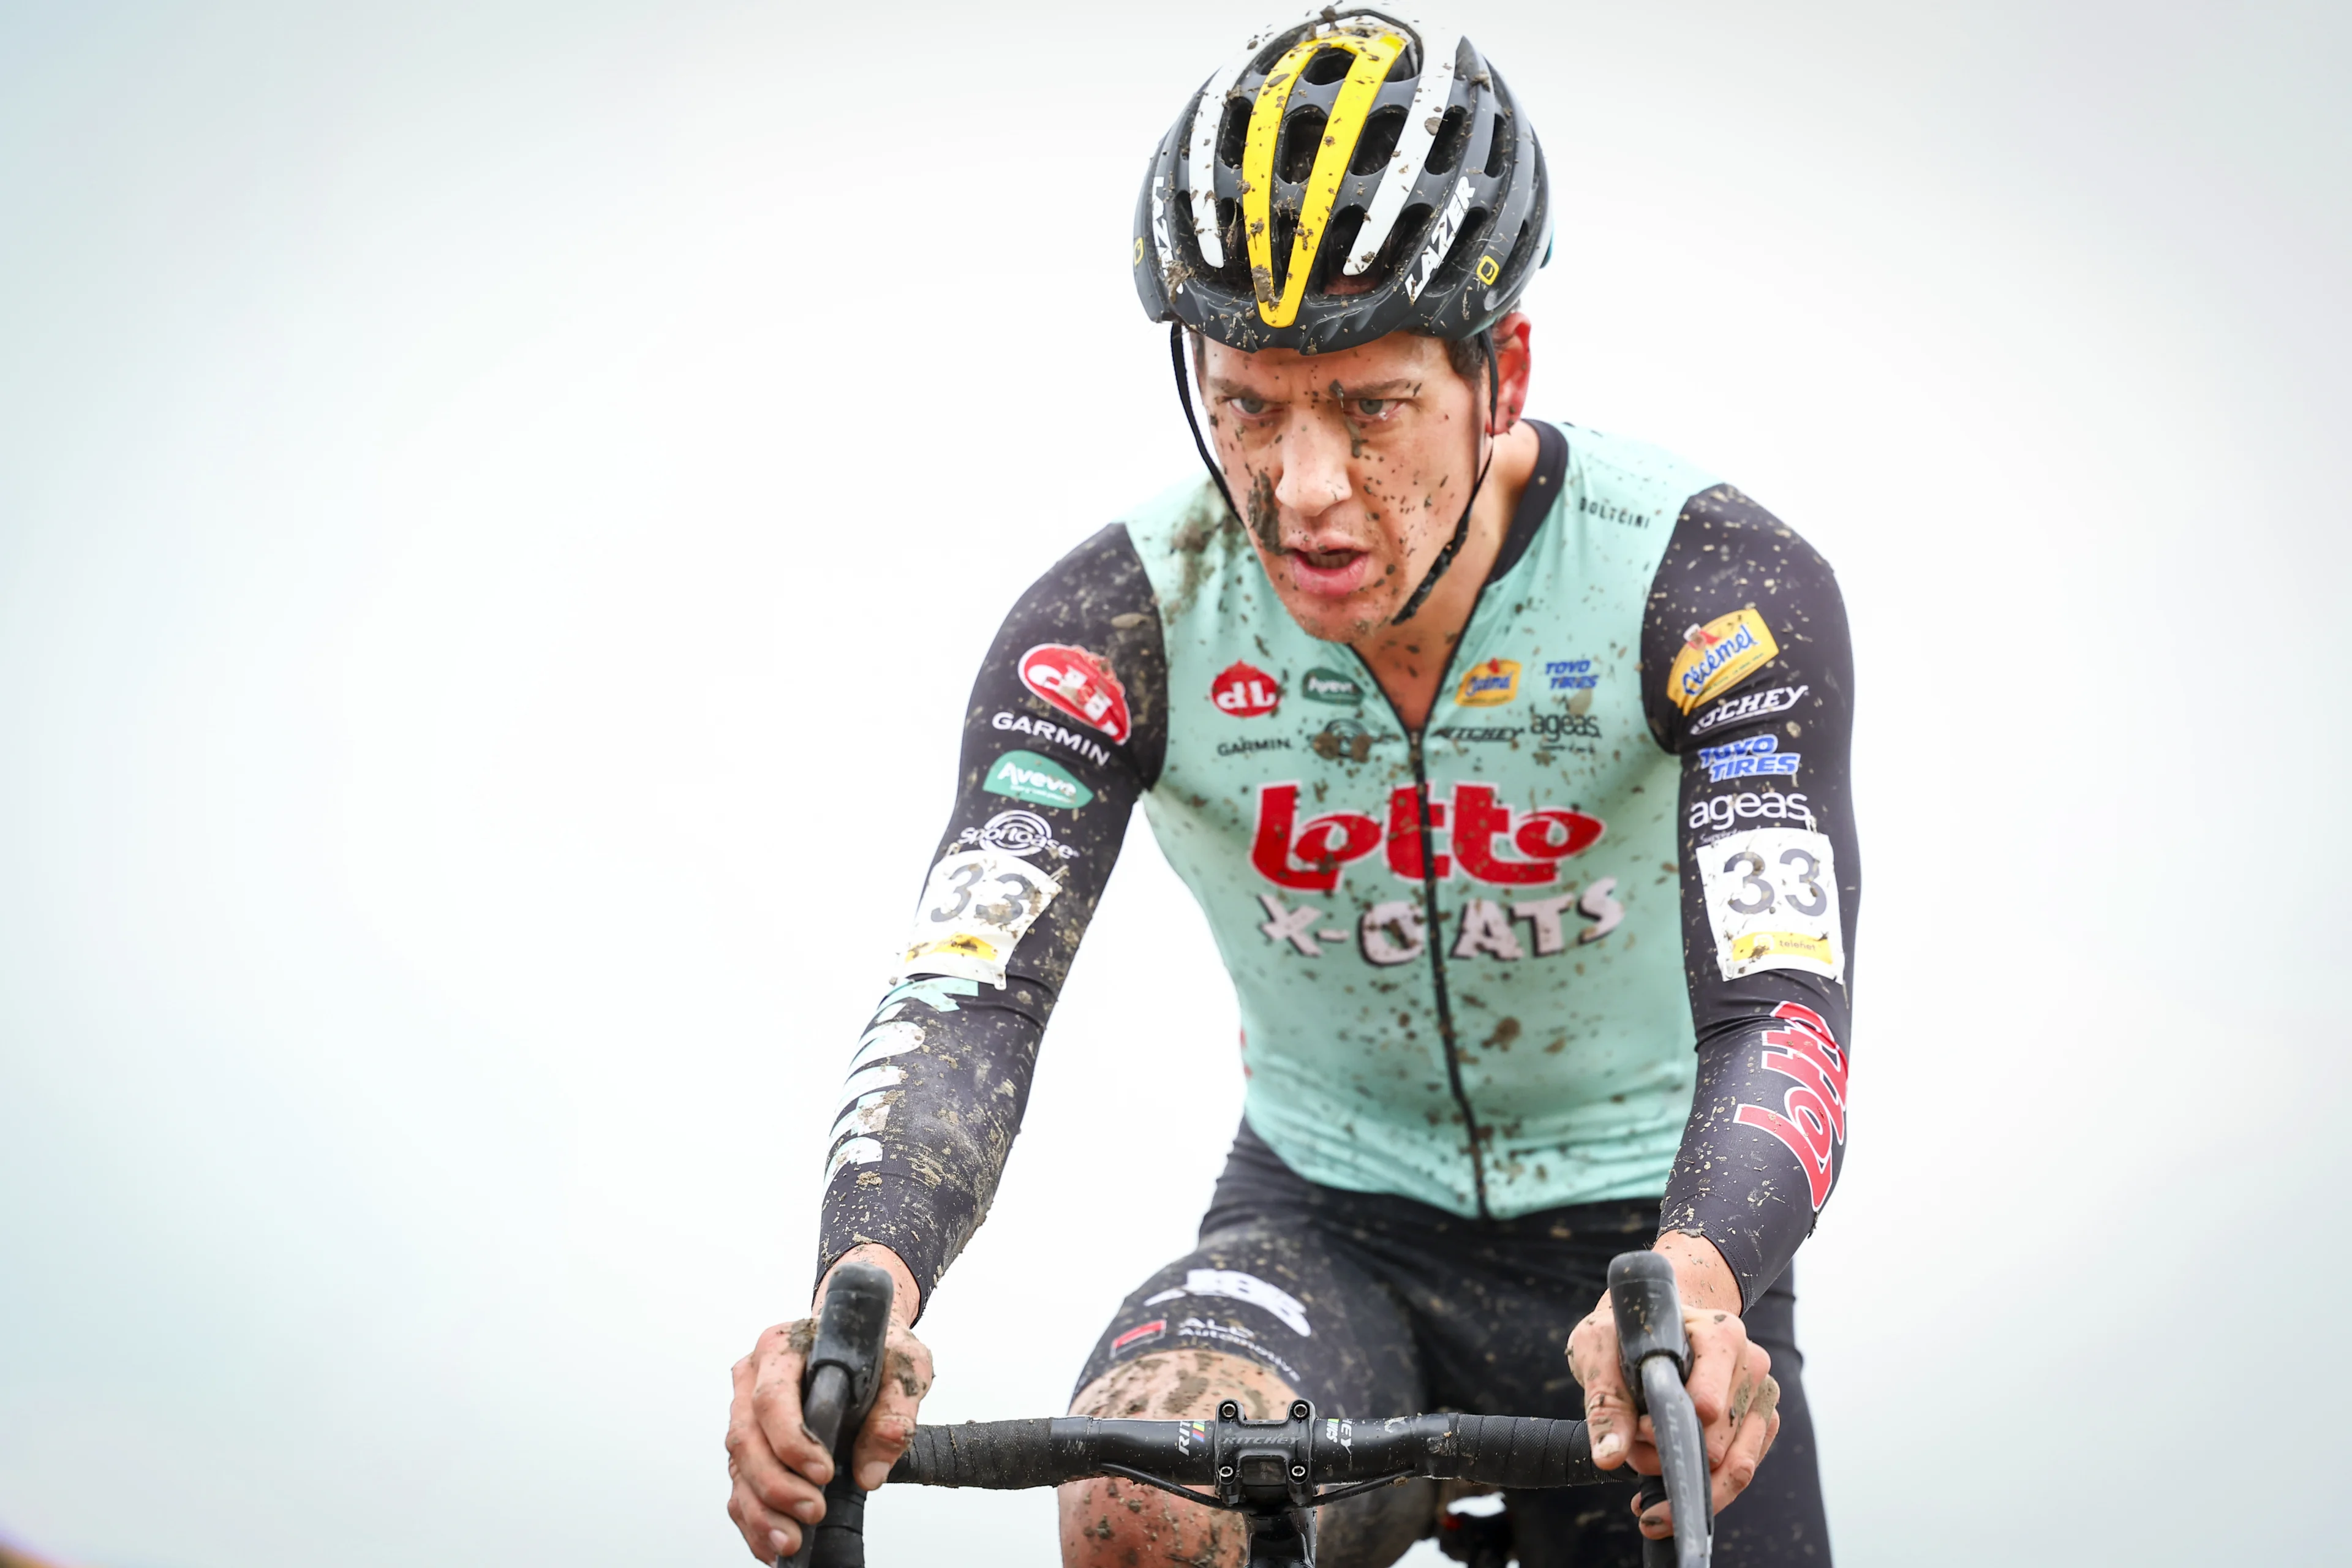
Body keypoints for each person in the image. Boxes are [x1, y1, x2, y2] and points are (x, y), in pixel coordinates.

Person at [725, 8, 1858, 1564]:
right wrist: (859, 1288)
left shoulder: (1710, 591)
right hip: (1329, 1229)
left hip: (1657, 1255)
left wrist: (1710, 1281)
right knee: (1145, 1505)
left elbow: (1781, 1003)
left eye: (1371, 406)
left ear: (1501, 367)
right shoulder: (1118, 624)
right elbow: (972, 993)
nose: (1304, 489)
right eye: (1248, 404)